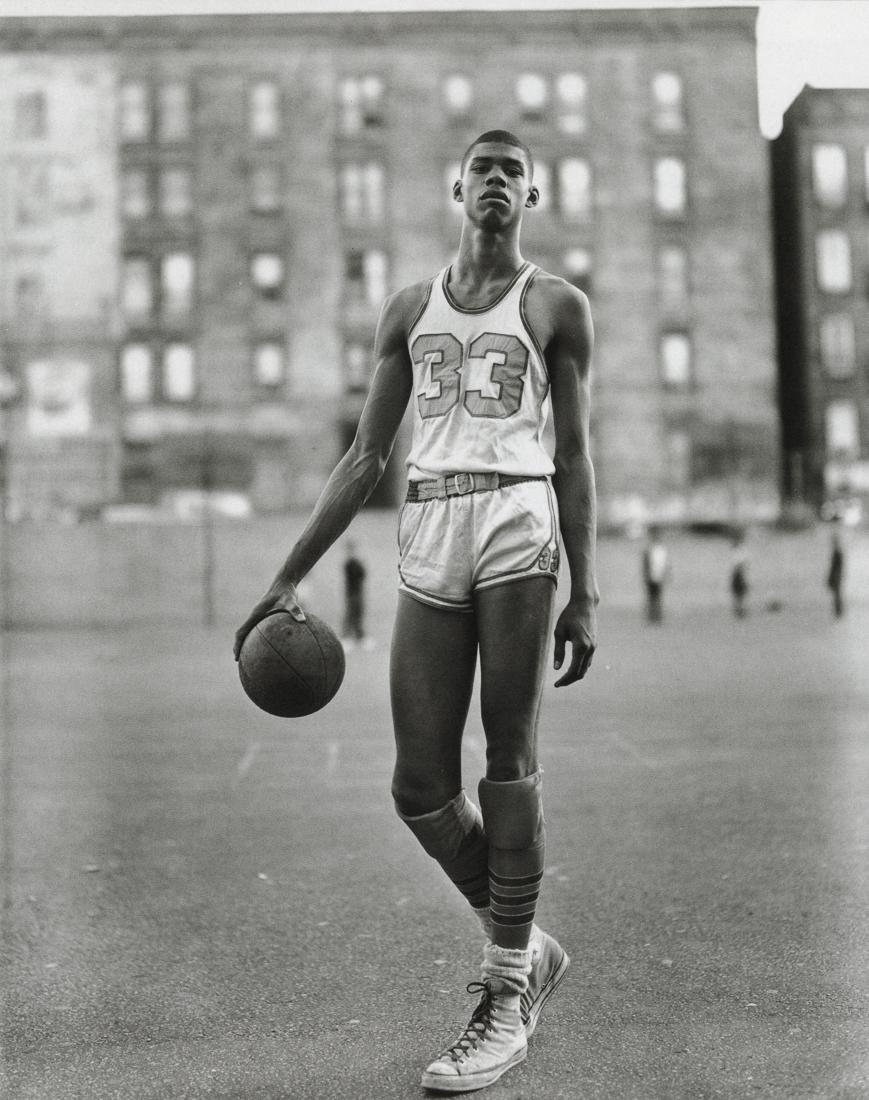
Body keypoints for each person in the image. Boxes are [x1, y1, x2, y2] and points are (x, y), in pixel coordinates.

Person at [234, 130, 597, 1093]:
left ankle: (505, 989)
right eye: (483, 168)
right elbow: (362, 459)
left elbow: (574, 459)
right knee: (418, 788)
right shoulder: (409, 308)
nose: (496, 182)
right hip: (431, 523)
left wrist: (587, 589)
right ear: (456, 187)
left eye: (512, 172)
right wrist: (285, 576)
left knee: (508, 757)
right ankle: (529, 945)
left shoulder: (557, 305)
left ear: (531, 196)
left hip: (518, 518)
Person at [341, 540, 369, 647]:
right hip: (352, 593)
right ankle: (346, 637)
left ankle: (359, 636)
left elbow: (363, 575)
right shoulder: (349, 563)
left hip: (358, 592)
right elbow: (359, 575)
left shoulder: (355, 562)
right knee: (350, 614)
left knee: (358, 613)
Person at [641, 525, 669, 623]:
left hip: (659, 576)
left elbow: (666, 564)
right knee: (651, 597)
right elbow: (645, 563)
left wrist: (666, 574)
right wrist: (646, 574)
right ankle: (652, 616)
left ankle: (658, 616)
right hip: (651, 576)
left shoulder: (661, 549)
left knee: (658, 597)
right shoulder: (650, 549)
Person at [729, 528, 750, 618]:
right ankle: (739, 608)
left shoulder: (740, 550)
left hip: (738, 572)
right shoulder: (739, 549)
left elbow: (741, 563)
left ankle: (739, 608)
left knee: (739, 591)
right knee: (738, 591)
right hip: (738, 572)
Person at [827, 523, 845, 618]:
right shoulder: (837, 552)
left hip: (836, 576)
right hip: (837, 576)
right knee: (837, 595)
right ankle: (838, 611)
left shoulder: (837, 552)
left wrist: (833, 577)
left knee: (837, 595)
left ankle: (838, 611)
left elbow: (836, 566)